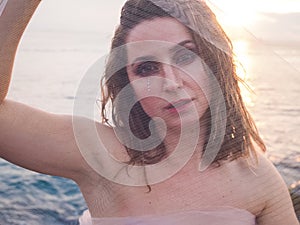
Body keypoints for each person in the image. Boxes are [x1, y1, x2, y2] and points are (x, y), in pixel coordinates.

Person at [0, 0, 298, 224]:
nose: (170, 83)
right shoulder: (101, 155)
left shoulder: (256, 176)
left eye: (185, 55)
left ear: (215, 64)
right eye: (147, 68)